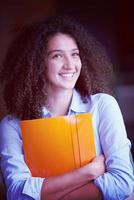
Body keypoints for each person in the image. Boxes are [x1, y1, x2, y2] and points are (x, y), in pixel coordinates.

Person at [0, 16, 133, 200]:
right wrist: (88, 172)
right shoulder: (12, 125)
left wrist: (45, 193)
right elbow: (17, 193)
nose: (70, 65)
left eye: (75, 54)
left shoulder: (102, 106)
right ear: (36, 64)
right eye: (57, 55)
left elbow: (122, 183)